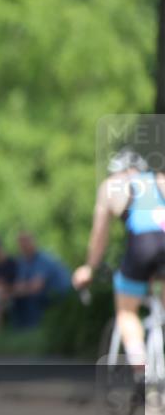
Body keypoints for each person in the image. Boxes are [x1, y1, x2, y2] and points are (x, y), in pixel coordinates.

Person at [73, 148, 164, 380]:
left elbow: (99, 236)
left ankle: (141, 369)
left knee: (126, 312)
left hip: (142, 246)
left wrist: (89, 268)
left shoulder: (111, 186)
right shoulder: (160, 179)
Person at [10, 231, 71, 328]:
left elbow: (37, 286)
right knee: (17, 298)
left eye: (26, 242)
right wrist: (18, 290)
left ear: (33, 242)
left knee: (31, 297)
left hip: (59, 294)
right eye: (21, 243)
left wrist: (21, 289)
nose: (23, 246)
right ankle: (21, 327)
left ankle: (33, 325)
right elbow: (19, 284)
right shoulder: (23, 261)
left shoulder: (44, 259)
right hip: (42, 292)